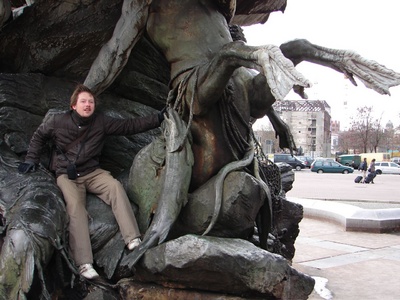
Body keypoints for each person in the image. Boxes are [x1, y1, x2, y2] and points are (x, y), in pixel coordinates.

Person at [18, 84, 165, 279]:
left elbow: (129, 126)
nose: (87, 105)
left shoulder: (101, 122)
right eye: (83, 101)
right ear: (73, 106)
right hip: (67, 175)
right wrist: (31, 159)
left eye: (91, 101)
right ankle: (84, 264)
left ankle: (133, 240)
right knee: (75, 207)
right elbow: (39, 136)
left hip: (92, 172)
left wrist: (158, 119)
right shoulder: (57, 121)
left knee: (115, 187)